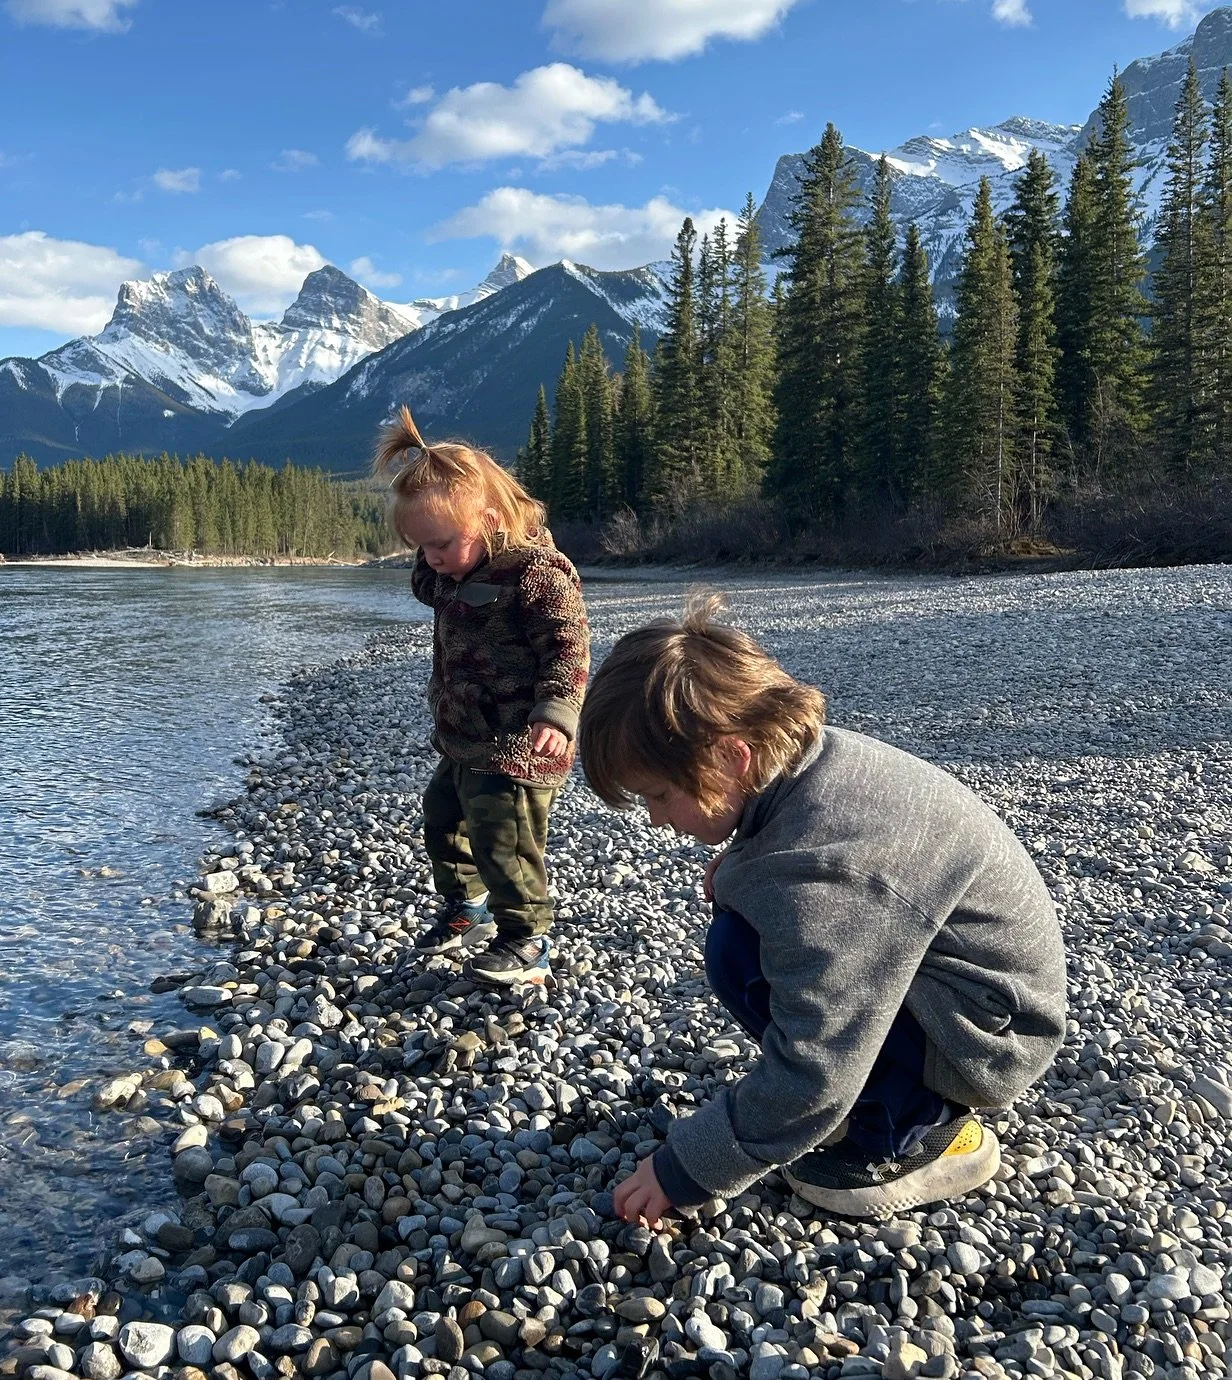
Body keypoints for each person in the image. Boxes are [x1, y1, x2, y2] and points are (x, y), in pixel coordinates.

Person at [578, 596, 1066, 1221]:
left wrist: (688, 1168)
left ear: (732, 754)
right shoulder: (811, 761)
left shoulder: (826, 867)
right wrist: (744, 870)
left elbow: (818, 1058)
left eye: (661, 796)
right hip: (977, 989)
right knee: (739, 938)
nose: (657, 821)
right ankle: (880, 1099)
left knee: (750, 961)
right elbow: (797, 869)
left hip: (990, 1034)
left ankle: (921, 1134)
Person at [374, 406, 590, 986]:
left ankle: (526, 939)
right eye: (419, 548)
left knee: (506, 838)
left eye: (440, 544)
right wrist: (435, 559)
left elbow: (568, 647)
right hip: (466, 733)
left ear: (491, 520)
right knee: (443, 819)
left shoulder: (537, 575)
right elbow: (430, 588)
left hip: (521, 740)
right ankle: (464, 909)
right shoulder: (451, 571)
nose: (430, 559)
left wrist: (558, 712)